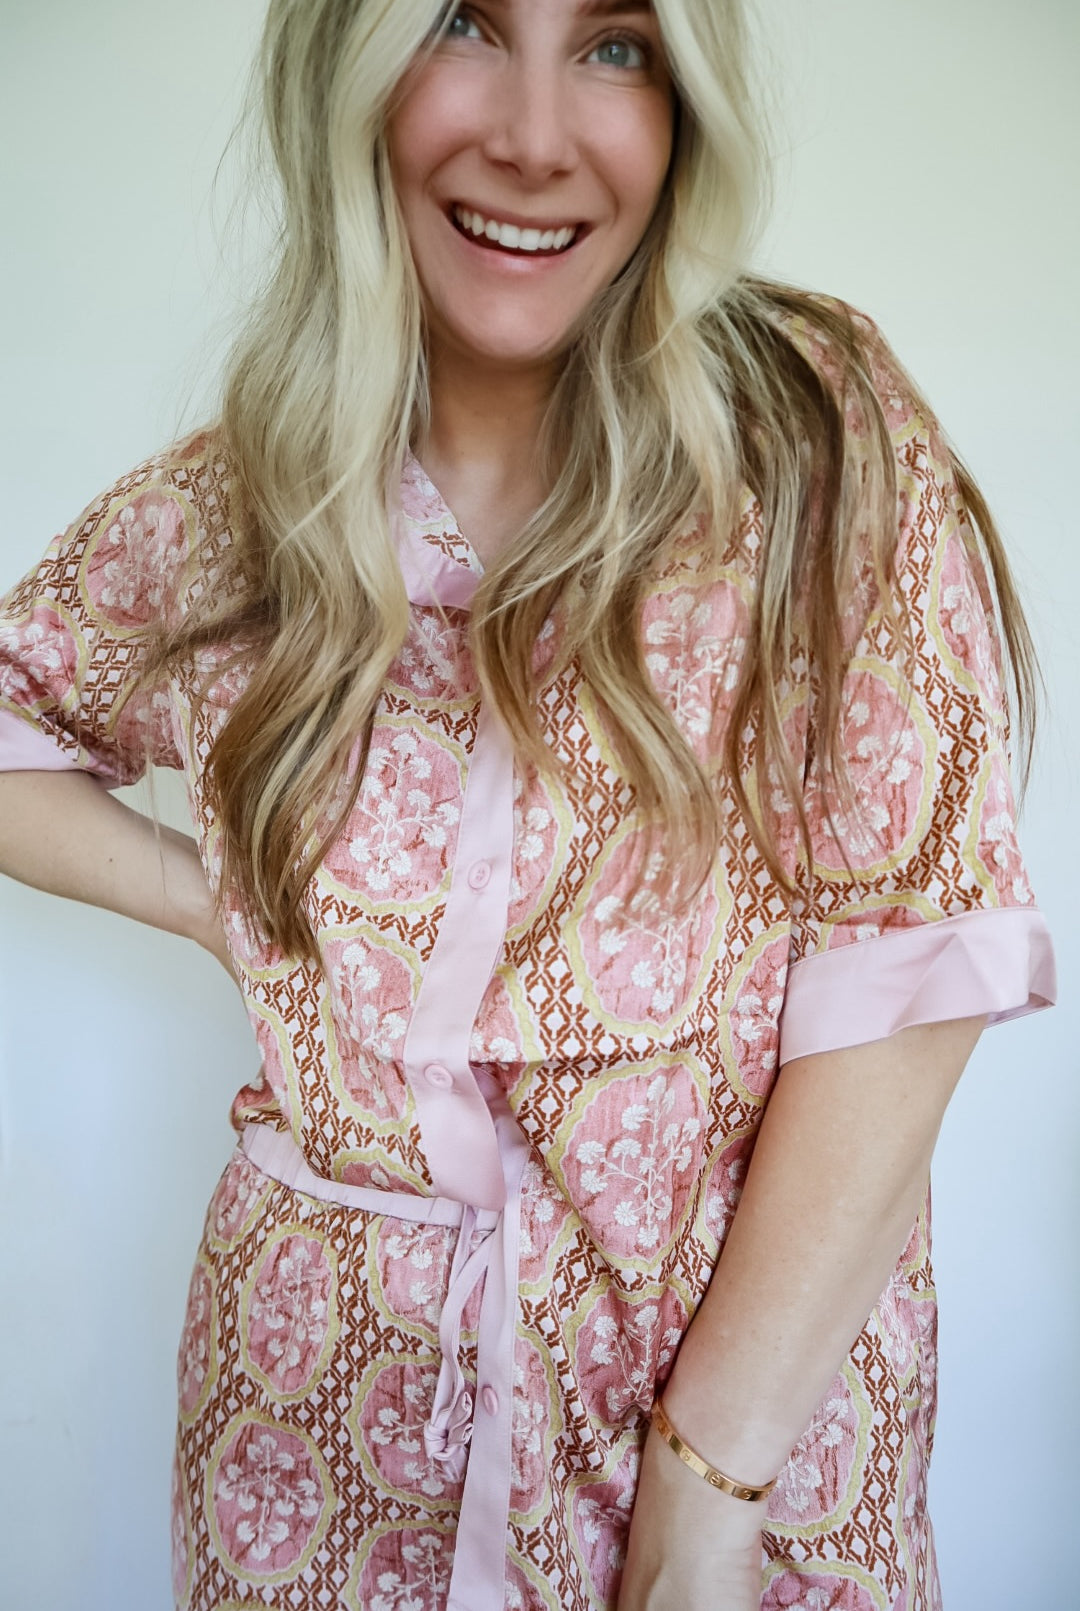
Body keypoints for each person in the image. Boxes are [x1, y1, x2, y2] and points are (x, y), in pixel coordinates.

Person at [0, 0, 1056, 1606]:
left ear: (684, 108)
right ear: (347, 71)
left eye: (616, 44)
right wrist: (226, 904)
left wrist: (709, 1484)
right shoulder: (245, 503)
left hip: (746, 1463)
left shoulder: (811, 436)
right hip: (318, 1455)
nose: (538, 137)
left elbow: (914, 946)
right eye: (463, 24)